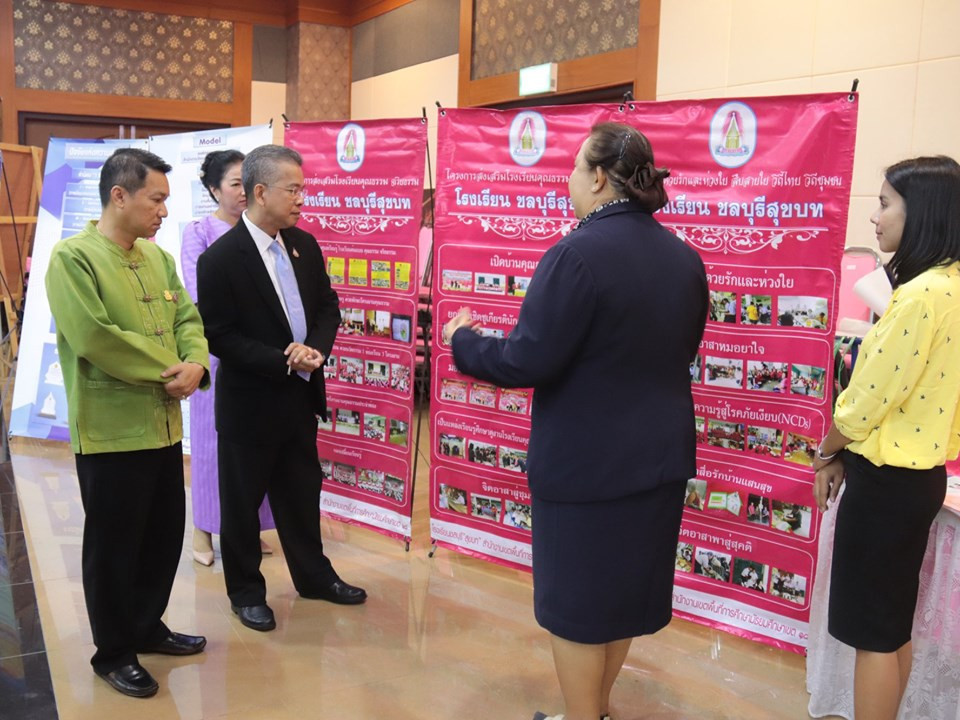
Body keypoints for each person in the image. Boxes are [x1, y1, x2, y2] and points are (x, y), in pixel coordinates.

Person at [444, 123, 708, 720]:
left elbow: (526, 359)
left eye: (572, 166)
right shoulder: (684, 258)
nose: (566, 179)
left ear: (596, 176)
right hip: (659, 459)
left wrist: (464, 342)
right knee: (620, 601)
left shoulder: (575, 254)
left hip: (587, 466)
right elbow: (680, 351)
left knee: (577, 609)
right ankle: (595, 709)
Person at [45, 148, 210, 698]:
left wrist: (197, 363)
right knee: (114, 546)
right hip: (111, 432)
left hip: (164, 427)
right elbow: (95, 338)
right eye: (156, 199)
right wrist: (172, 370)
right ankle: (113, 651)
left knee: (161, 539)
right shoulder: (74, 258)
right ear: (120, 196)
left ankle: (146, 626)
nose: (164, 210)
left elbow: (187, 316)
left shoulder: (156, 259)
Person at [196, 144, 366, 633]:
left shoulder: (303, 245)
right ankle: (246, 592)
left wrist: (314, 349)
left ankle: (314, 577)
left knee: (300, 494)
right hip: (250, 403)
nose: (301, 198)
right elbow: (220, 335)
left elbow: (327, 305)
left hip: (299, 396)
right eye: (293, 189)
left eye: (303, 189)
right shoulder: (221, 259)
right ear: (260, 191)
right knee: (243, 504)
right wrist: (282, 360)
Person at [813, 156, 960, 720]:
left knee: (872, 632)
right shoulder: (949, 286)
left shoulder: (920, 296)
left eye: (884, 203)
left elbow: (865, 403)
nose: (875, 217)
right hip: (921, 479)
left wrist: (826, 451)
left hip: (885, 485)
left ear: (918, 212)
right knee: (892, 625)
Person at [180, 149, 275, 567]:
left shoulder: (265, 231)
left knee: (254, 445)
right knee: (209, 445)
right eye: (234, 183)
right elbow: (198, 295)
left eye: (247, 182)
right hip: (215, 356)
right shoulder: (199, 232)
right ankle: (202, 529)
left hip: (259, 357)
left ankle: (248, 527)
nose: (242, 191)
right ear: (213, 188)